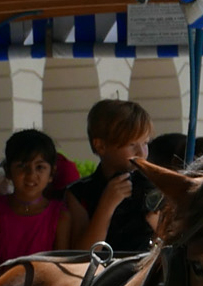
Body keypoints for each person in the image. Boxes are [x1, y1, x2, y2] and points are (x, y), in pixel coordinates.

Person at [59, 100, 155, 255]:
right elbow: (83, 255)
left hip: (146, 274)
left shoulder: (153, 186)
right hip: (101, 274)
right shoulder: (80, 193)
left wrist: (158, 223)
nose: (141, 153)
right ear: (101, 146)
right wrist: (106, 206)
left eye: (145, 143)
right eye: (132, 145)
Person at [0, 129, 68, 273]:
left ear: (52, 173)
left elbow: (59, 272)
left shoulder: (61, 216)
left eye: (40, 167)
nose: (31, 174)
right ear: (8, 171)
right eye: (22, 166)